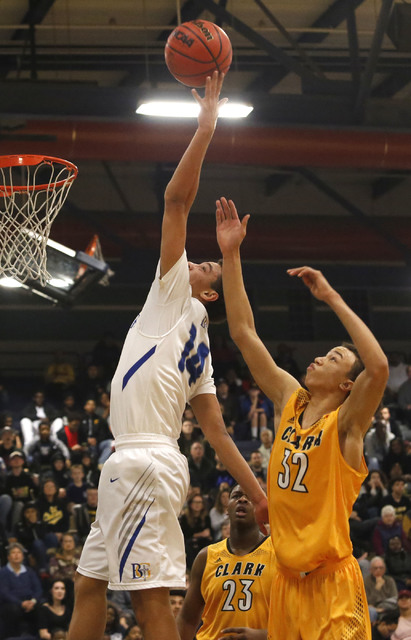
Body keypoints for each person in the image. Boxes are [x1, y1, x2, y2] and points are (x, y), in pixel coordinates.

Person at [69, 72, 267, 640]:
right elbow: (219, 436)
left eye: (204, 265)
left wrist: (205, 128)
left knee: (149, 602)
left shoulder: (176, 297)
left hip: (144, 463)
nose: (195, 261)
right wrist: (257, 493)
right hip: (138, 462)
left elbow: (176, 199)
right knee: (89, 584)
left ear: (204, 290)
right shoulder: (199, 344)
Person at [215, 197, 389, 639]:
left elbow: (379, 367)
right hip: (285, 583)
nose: (319, 357)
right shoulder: (289, 400)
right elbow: (243, 332)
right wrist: (231, 254)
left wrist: (330, 296)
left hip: (332, 586)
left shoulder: (347, 427)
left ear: (346, 386)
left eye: (333, 358)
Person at [177, 484, 276, 640]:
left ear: (262, 509)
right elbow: (187, 620)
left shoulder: (279, 554)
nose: (242, 499)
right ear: (226, 509)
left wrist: (264, 636)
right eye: (236, 496)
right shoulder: (206, 556)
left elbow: (297, 618)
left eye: (249, 497)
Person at [0, 542, 43, 639]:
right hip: (11, 604)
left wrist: (33, 601)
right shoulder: (3, 572)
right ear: (8, 557)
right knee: (13, 610)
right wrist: (21, 603)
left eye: (19, 553)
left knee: (41, 608)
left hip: (29, 602)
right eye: (13, 553)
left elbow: (38, 589)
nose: (16, 555)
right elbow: (4, 593)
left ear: (23, 556)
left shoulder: (29, 571)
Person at [364, 556, 398, 622]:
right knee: (371, 610)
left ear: (384, 569)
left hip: (388, 607)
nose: (378, 570)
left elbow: (395, 598)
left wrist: (383, 607)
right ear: (370, 570)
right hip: (373, 609)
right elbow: (367, 602)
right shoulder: (366, 582)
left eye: (381, 568)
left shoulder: (390, 580)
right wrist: (377, 588)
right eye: (375, 568)